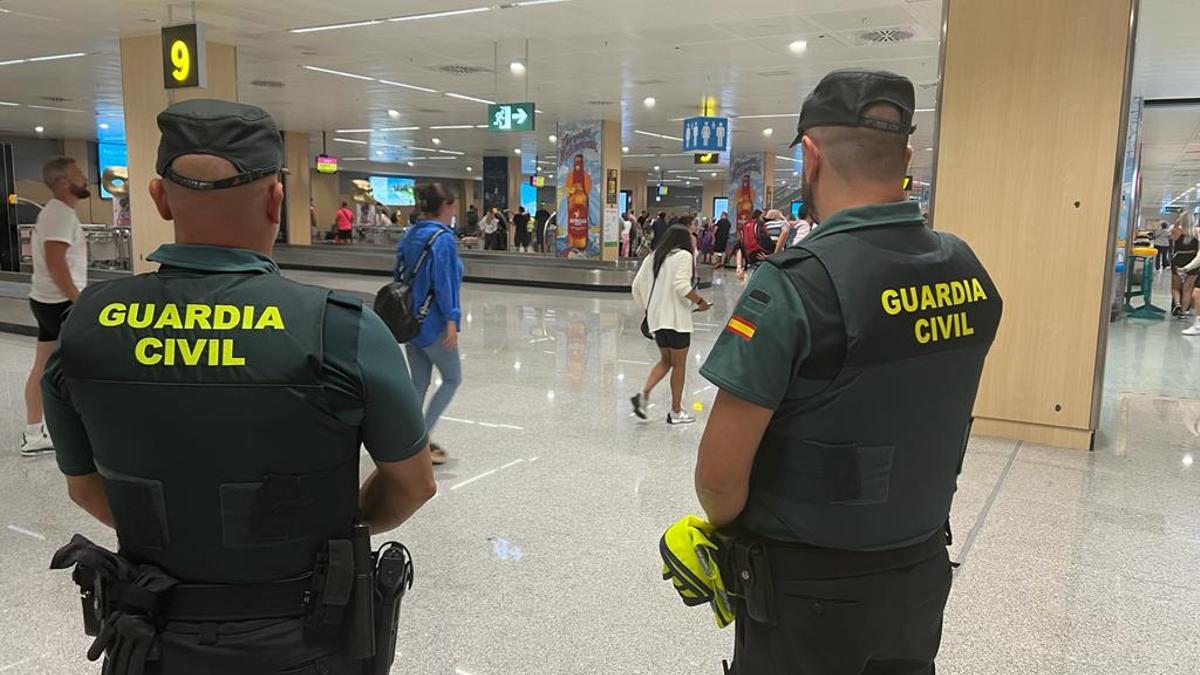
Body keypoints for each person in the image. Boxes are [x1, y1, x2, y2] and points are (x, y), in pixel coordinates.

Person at [43, 99, 436, 673]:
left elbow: (85, 489)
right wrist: (322, 530)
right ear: (277, 199)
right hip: (307, 641)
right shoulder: (340, 330)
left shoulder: (85, 325)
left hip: (150, 640)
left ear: (157, 196)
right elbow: (413, 486)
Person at [692, 70, 1002, 674]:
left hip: (805, 594)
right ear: (907, 155)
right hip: (918, 576)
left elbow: (719, 479)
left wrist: (725, 533)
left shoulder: (794, 287)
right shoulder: (968, 270)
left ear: (810, 155)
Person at [22, 157, 90, 456]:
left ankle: (34, 433)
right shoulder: (60, 214)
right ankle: (83, 432)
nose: (85, 177)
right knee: (82, 368)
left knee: (42, 366)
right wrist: (79, 300)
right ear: (63, 182)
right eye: (79, 174)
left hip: (45, 301)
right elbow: (55, 262)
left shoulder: (54, 212)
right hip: (60, 304)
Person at [396, 183, 465, 464]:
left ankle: (403, 440)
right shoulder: (443, 239)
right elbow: (444, 282)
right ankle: (420, 441)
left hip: (410, 321)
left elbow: (398, 275)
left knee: (418, 383)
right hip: (434, 322)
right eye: (453, 207)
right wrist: (452, 319)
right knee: (452, 378)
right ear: (446, 206)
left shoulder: (411, 235)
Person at [631, 225, 711, 425]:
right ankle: (676, 411)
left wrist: (650, 310)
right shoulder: (683, 255)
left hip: (657, 321)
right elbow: (682, 286)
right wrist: (700, 302)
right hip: (676, 321)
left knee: (666, 361)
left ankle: (643, 395)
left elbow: (636, 287)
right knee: (679, 365)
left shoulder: (653, 257)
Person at [1172, 211, 1200, 324]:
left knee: (1175, 288)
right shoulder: (1197, 232)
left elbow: (1172, 236)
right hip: (1192, 261)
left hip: (1178, 260)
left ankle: (1177, 305)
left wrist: (1177, 222)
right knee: (1187, 290)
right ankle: (1183, 313)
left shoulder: (1177, 231)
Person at [733, 209, 769, 280]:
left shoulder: (746, 228)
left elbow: (739, 248)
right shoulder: (767, 228)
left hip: (751, 266)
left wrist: (739, 267)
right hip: (766, 266)